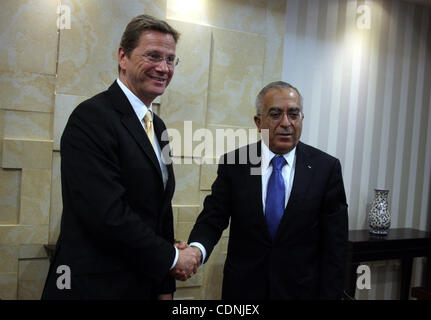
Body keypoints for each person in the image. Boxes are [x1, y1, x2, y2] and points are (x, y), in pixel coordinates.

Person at [42, 15, 199, 300]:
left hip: (143, 284)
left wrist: (165, 285)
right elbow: (108, 215)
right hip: (95, 288)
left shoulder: (157, 126)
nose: (163, 68)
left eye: (171, 59)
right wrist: (172, 258)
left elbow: (160, 212)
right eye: (153, 56)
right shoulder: (91, 118)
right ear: (122, 57)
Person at [187, 81, 348, 299]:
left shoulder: (325, 168)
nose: (286, 123)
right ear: (258, 121)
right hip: (244, 293)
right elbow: (213, 217)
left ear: (302, 119)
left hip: (301, 292)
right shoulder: (236, 163)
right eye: (275, 114)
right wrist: (196, 250)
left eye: (293, 114)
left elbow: (335, 247)